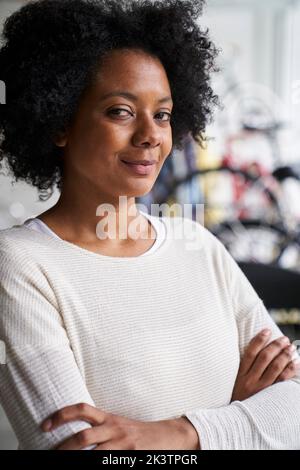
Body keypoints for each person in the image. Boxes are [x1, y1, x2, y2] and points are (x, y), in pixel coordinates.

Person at [0, 0, 299, 450]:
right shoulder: (19, 264)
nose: (151, 136)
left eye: (162, 114)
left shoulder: (197, 242)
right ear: (60, 121)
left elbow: (295, 404)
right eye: (121, 111)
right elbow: (80, 447)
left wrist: (180, 433)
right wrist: (239, 418)